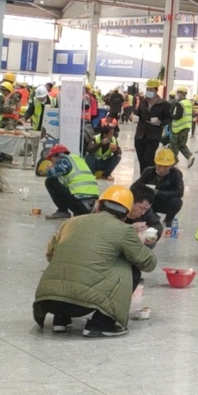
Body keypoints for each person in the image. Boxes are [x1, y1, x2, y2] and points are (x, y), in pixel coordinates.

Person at [33, 185, 156, 338]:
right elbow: (148, 263)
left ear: (98, 207)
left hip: (48, 300)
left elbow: (50, 255)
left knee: (70, 260)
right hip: (81, 304)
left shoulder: (70, 222)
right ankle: (102, 323)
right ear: (126, 215)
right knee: (131, 269)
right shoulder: (124, 230)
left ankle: (61, 319)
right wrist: (140, 242)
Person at [43, 145, 102, 220]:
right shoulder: (77, 159)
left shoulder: (64, 160)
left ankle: (62, 211)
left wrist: (48, 170)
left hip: (81, 205)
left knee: (50, 181)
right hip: (90, 205)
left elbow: (52, 174)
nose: (53, 163)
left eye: (52, 160)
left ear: (57, 155)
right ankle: (77, 211)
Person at [130, 149, 185, 227]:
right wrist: (145, 189)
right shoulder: (148, 171)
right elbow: (134, 187)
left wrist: (158, 192)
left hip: (165, 201)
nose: (162, 169)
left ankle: (168, 220)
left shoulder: (176, 174)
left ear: (171, 165)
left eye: (165, 166)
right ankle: (148, 217)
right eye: (159, 165)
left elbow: (179, 192)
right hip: (149, 202)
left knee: (177, 202)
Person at [132, 79, 170, 173]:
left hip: (154, 135)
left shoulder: (164, 104)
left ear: (156, 90)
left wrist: (160, 122)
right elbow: (137, 114)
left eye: (151, 90)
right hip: (140, 134)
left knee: (148, 157)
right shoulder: (143, 102)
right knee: (141, 159)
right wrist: (132, 117)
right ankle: (144, 178)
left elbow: (169, 118)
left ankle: (152, 176)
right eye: (147, 89)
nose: (149, 92)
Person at [167, 86, 195, 169]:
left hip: (178, 127)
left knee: (173, 145)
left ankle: (175, 162)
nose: (177, 94)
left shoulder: (180, 103)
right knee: (181, 144)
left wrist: (170, 116)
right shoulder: (188, 103)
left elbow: (178, 116)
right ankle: (188, 157)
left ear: (182, 94)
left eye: (178, 93)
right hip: (186, 127)